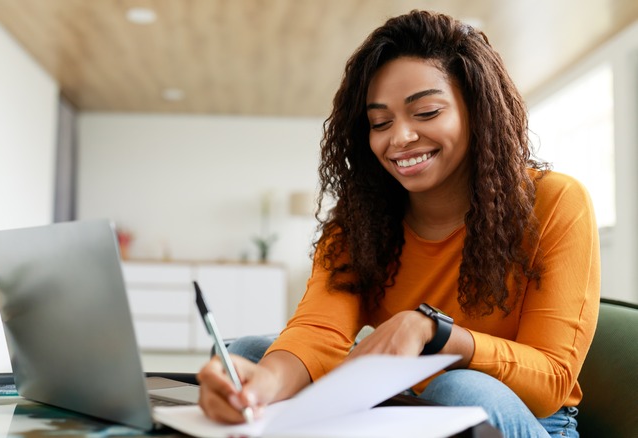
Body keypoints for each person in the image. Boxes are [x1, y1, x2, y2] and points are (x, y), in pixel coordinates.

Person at [196, 10, 600, 438]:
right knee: (251, 355)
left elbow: (552, 382)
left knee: (460, 388)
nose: (399, 138)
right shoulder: (361, 219)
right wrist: (263, 387)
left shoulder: (556, 202)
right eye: (380, 122)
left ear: (477, 111)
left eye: (425, 112)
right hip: (405, 406)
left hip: (525, 418)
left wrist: (435, 332)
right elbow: (319, 328)